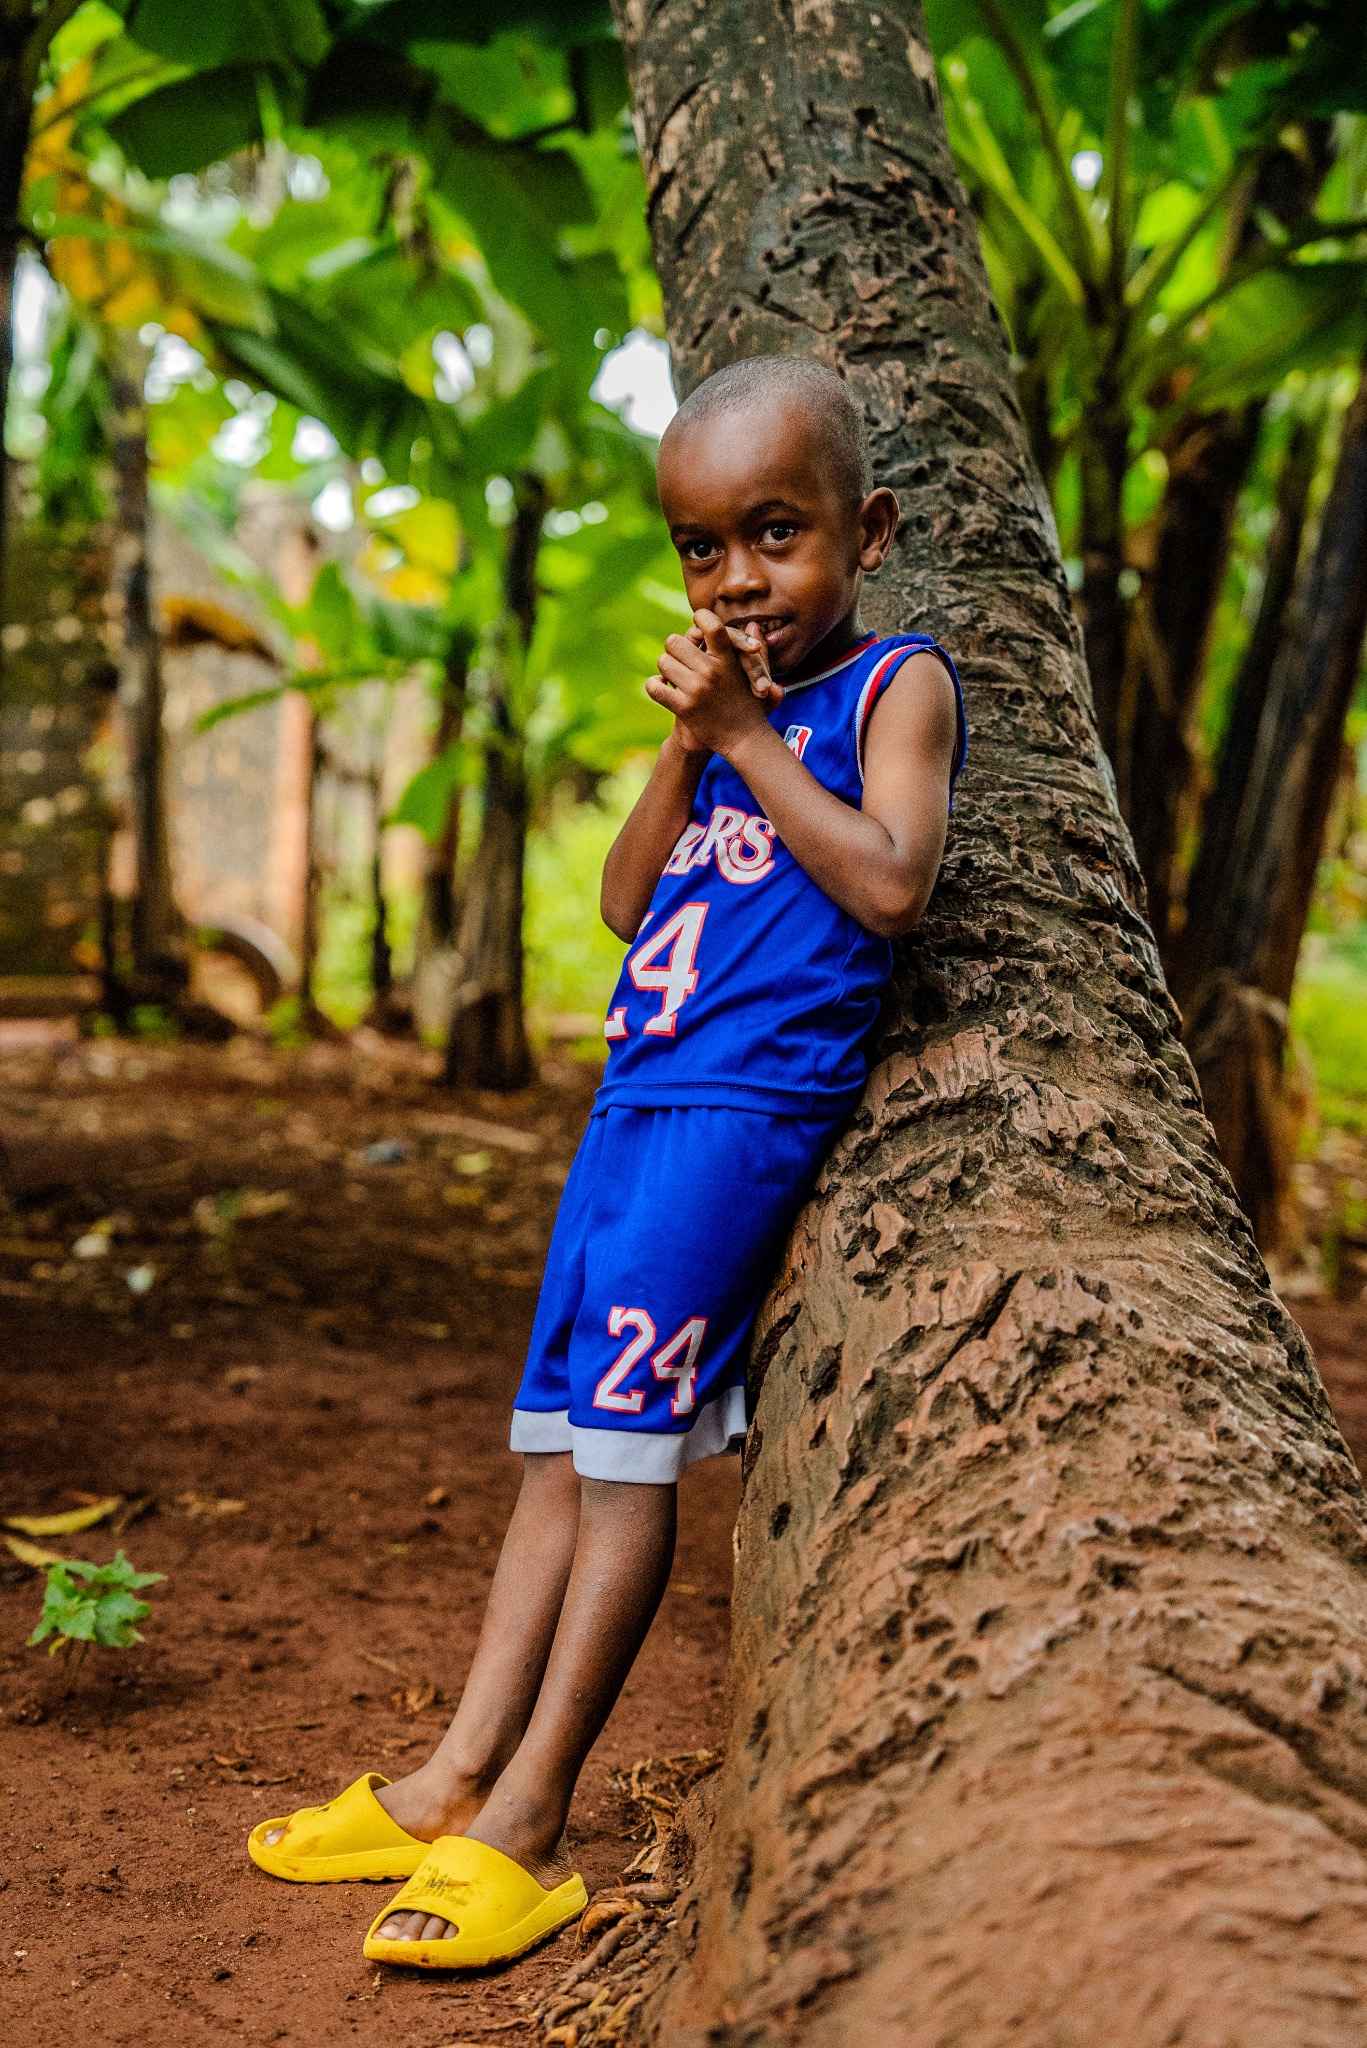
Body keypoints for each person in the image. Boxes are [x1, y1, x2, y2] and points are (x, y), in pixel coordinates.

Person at [246, 353, 969, 1970]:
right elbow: (629, 904)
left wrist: (752, 734)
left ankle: (533, 1821)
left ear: (868, 531)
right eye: (702, 548)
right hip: (634, 1106)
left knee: (629, 1461)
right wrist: (689, 745)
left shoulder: (894, 687)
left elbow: (893, 884)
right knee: (556, 1457)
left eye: (775, 534)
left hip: (737, 1119)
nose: (738, 579)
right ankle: (453, 1775)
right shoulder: (726, 718)